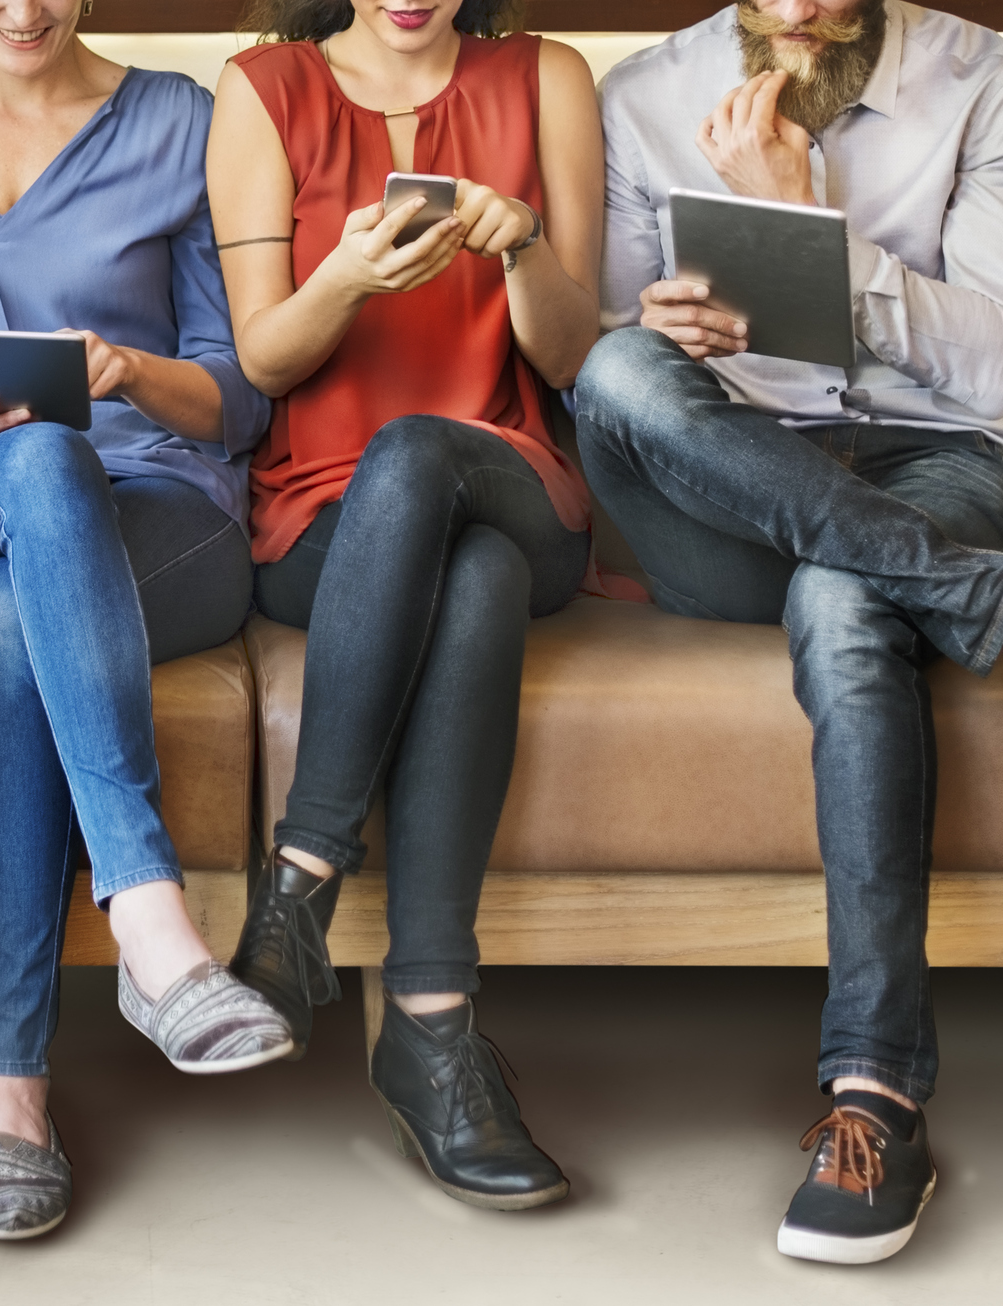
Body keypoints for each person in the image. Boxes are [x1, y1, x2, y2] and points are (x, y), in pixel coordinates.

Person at [578, 0, 1003, 1265]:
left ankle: (872, 1092)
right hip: (732, 481)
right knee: (613, 381)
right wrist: (662, 329)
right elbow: (606, 342)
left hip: (935, 459)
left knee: (842, 597)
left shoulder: (982, 80)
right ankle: (967, 593)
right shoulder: (643, 92)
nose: (806, 12)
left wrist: (812, 241)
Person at [0, 0, 277, 1241]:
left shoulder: (179, 121)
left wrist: (127, 372)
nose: (24, 7)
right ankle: (154, 925)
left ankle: (11, 1105)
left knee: (16, 612)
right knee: (39, 468)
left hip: (159, 509)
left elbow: (241, 402)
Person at [207, 0, 605, 1210]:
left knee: (429, 458)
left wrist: (525, 245)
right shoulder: (262, 88)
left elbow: (571, 357)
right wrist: (345, 275)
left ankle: (300, 882)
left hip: (515, 478)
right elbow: (265, 359)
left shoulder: (547, 78)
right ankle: (431, 1034)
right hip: (324, 518)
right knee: (464, 570)